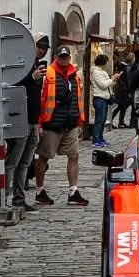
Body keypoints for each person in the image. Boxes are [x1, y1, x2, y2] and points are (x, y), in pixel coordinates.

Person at [34, 45, 88, 206]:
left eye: (66, 56)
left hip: (70, 123)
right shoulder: (48, 73)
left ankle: (73, 191)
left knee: (74, 155)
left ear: (69, 57)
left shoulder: (74, 75)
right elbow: (41, 99)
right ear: (56, 57)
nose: (64, 59)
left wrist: (79, 121)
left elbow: (77, 99)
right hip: (51, 123)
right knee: (44, 157)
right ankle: (40, 190)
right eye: (61, 56)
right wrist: (40, 123)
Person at [14, 35, 49, 208]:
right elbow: (15, 86)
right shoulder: (22, 63)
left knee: (25, 162)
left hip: (34, 119)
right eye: (39, 46)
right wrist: (32, 78)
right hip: (22, 118)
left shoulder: (37, 65)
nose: (41, 50)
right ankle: (4, 195)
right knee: (15, 160)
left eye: (44, 48)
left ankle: (19, 198)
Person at [90, 52, 113, 148]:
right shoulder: (96, 72)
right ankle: (96, 139)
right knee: (99, 120)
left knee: (103, 120)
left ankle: (100, 137)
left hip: (104, 98)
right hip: (99, 98)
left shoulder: (101, 71)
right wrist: (113, 79)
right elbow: (103, 85)